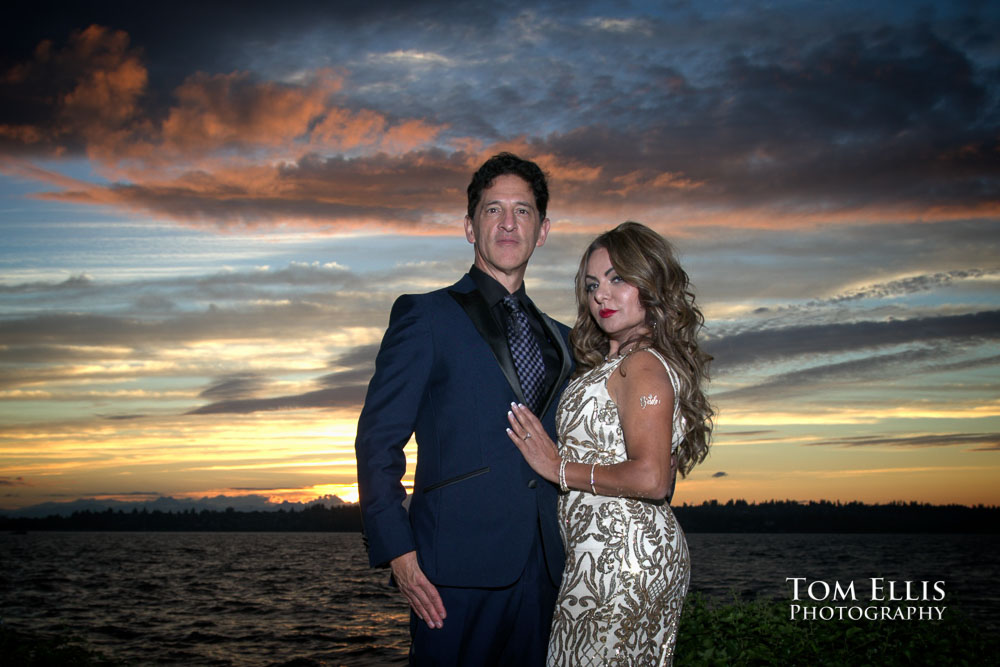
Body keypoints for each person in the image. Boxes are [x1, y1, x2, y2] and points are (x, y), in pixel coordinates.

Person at [355, 153, 575, 665]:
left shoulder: (566, 340)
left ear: (542, 231)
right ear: (469, 226)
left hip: (546, 573)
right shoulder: (425, 316)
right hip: (449, 576)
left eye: (523, 211)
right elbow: (377, 441)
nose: (507, 223)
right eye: (493, 209)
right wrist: (400, 555)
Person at [507, 221, 714, 666]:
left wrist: (556, 467)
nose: (601, 294)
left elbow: (654, 478)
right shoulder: (623, 364)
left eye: (618, 278)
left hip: (621, 560)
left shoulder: (641, 366)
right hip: (605, 555)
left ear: (651, 283)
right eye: (592, 284)